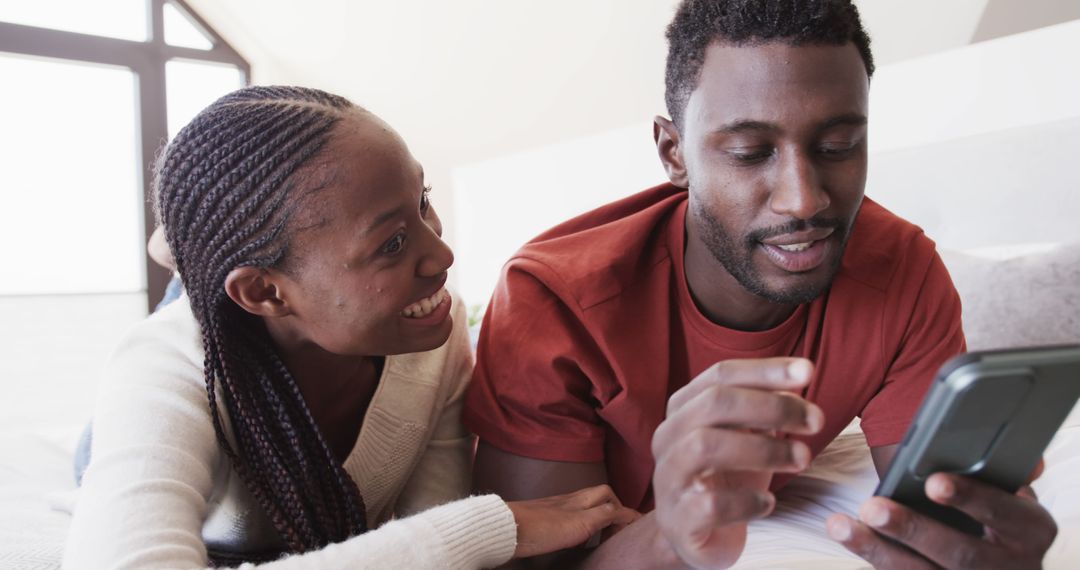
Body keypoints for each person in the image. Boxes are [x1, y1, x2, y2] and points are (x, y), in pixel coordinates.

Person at [464, 1, 1059, 568]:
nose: (803, 199)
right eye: (750, 153)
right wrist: (672, 532)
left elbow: (935, 509)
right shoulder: (554, 301)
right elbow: (535, 567)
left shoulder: (900, 270)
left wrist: (987, 547)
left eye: (838, 146)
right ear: (674, 153)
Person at [63, 85, 638, 569]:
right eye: (391, 243)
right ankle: (187, 264)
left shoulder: (434, 336)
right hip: (204, 362)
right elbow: (445, 538)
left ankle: (194, 255)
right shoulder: (162, 367)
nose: (443, 256)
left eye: (425, 201)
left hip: (271, 299)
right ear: (265, 291)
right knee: (171, 344)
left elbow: (432, 533)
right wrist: (492, 525)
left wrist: (454, 535)